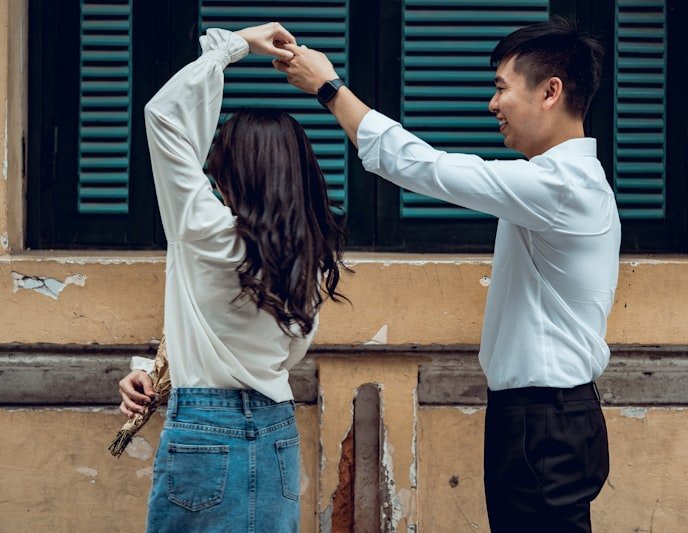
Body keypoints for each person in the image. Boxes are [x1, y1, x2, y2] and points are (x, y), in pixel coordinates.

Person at [275, 16, 620, 532]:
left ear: (550, 92)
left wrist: (329, 88)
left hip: (544, 420)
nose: (492, 104)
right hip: (546, 416)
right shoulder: (562, 182)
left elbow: (423, 166)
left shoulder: (561, 186)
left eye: (501, 88)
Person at [117, 23, 348, 532]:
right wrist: (159, 364)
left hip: (204, 428)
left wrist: (232, 46)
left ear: (229, 172)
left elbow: (164, 116)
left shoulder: (202, 227)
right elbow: (287, 354)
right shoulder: (307, 252)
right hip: (276, 430)